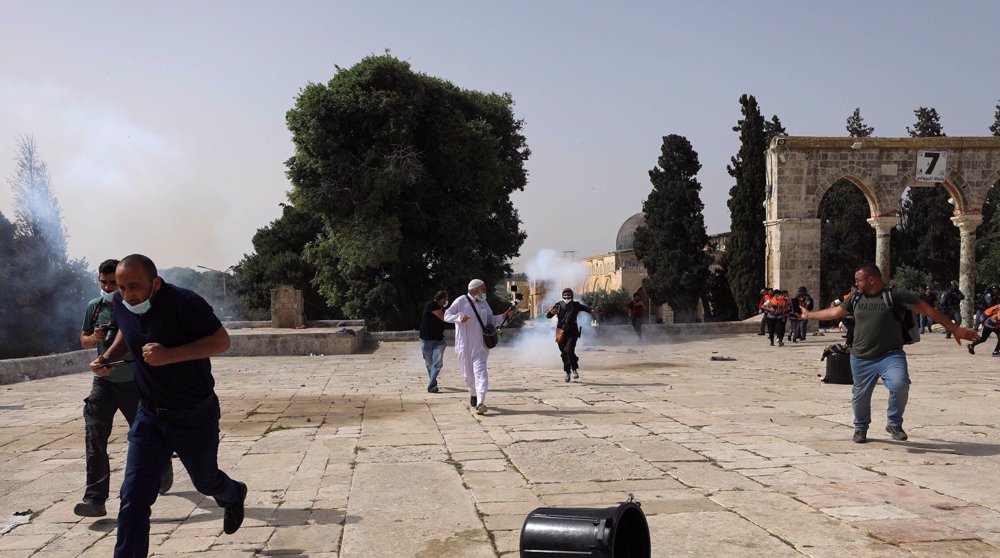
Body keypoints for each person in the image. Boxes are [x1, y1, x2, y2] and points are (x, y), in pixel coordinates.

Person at [91, 254, 246, 557]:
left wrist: (170, 355)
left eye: (135, 286)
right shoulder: (121, 302)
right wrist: (108, 357)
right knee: (133, 497)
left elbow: (221, 341)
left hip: (194, 414)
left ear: (156, 282)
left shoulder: (185, 303)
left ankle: (233, 494)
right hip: (149, 415)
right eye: (121, 287)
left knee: (205, 481)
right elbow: (127, 331)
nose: (127, 294)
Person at [800, 264, 978, 444]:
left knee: (900, 384)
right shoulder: (857, 297)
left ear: (871, 279)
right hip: (861, 357)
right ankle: (861, 427)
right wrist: (809, 315)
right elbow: (835, 312)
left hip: (890, 355)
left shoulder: (896, 294)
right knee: (860, 396)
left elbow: (928, 310)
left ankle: (894, 423)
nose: (856, 284)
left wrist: (955, 329)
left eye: (858, 280)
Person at [75, 259, 173, 518]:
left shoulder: (135, 306)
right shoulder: (94, 308)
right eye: (104, 283)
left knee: (144, 436)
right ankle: (94, 499)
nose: (108, 288)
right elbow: (83, 339)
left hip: (134, 382)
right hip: (103, 382)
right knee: (94, 436)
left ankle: (163, 467)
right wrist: (94, 339)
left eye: (113, 283)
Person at [444, 279, 513, 415]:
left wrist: (504, 316)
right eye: (484, 289)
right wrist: (458, 317)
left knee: (481, 372)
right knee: (467, 376)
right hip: (464, 346)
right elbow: (446, 315)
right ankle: (473, 393)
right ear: (475, 290)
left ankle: (481, 402)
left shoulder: (484, 303)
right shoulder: (461, 301)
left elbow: (491, 320)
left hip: (480, 345)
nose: (485, 292)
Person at [547, 288, 597, 382]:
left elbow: (585, 308)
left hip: (572, 332)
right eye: (565, 295)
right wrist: (551, 312)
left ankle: (573, 369)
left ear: (572, 296)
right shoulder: (558, 305)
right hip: (560, 332)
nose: (566, 297)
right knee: (564, 353)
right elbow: (548, 316)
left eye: (568, 295)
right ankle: (568, 371)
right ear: (562, 296)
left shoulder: (576, 305)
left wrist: (591, 310)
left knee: (569, 350)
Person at [419, 291, 449, 393]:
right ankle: (433, 382)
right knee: (429, 363)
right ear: (442, 298)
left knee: (438, 363)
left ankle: (431, 385)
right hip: (426, 339)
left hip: (439, 340)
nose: (446, 301)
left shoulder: (441, 308)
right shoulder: (432, 305)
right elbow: (444, 317)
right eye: (446, 299)